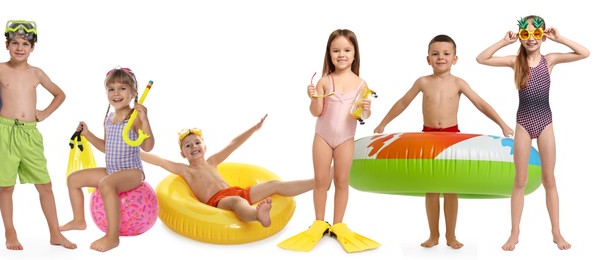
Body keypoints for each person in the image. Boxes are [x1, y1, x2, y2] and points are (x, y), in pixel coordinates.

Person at [374, 34, 514, 250]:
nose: (441, 58)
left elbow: (480, 104)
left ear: (455, 59)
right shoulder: (422, 82)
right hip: (427, 136)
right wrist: (383, 124)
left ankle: (451, 235)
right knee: (430, 189)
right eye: (435, 54)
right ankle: (433, 235)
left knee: (451, 189)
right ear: (428, 59)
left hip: (452, 137)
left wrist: (502, 124)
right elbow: (403, 102)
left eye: (446, 54)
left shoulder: (458, 83)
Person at [476, 15, 589, 251]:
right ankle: (514, 232)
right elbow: (481, 58)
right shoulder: (516, 62)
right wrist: (503, 41)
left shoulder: (550, 60)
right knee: (520, 180)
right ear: (520, 36)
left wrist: (560, 38)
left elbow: (584, 53)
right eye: (525, 34)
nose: (530, 39)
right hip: (523, 124)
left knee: (549, 179)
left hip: (545, 123)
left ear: (542, 36)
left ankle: (556, 231)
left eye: (536, 34)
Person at [0, 20, 75, 250]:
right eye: (14, 42)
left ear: (32, 48)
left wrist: (44, 113)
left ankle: (55, 233)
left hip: (29, 134)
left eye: (25, 43)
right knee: (6, 186)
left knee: (45, 184)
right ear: (6, 45)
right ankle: (10, 232)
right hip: (4, 132)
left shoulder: (37, 73)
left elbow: (59, 94)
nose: (19, 47)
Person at [278, 29, 379, 253]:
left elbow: (362, 117)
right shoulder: (325, 81)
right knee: (321, 182)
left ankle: (338, 224)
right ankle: (319, 222)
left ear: (354, 54)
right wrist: (314, 98)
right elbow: (316, 112)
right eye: (336, 50)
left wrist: (367, 110)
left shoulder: (362, 84)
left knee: (342, 181)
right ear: (329, 54)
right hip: (322, 138)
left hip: (346, 139)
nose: (341, 54)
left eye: (346, 50)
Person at [140, 115, 313, 228]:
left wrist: (254, 129)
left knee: (273, 185)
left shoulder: (213, 161)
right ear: (182, 154)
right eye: (188, 145)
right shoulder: (185, 170)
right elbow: (161, 162)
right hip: (219, 200)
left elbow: (233, 144)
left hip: (237, 191)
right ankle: (258, 216)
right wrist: (136, 152)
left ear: (205, 147)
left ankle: (317, 181)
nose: (194, 146)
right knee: (237, 203)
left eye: (197, 142)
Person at [59, 67, 155, 252]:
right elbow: (107, 148)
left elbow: (148, 146)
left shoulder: (134, 119)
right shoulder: (109, 118)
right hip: (112, 170)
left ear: (134, 92)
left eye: (122, 88)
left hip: (132, 172)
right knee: (73, 179)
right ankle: (79, 220)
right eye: (111, 89)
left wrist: (145, 120)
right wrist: (87, 134)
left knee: (106, 184)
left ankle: (112, 237)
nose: (116, 93)